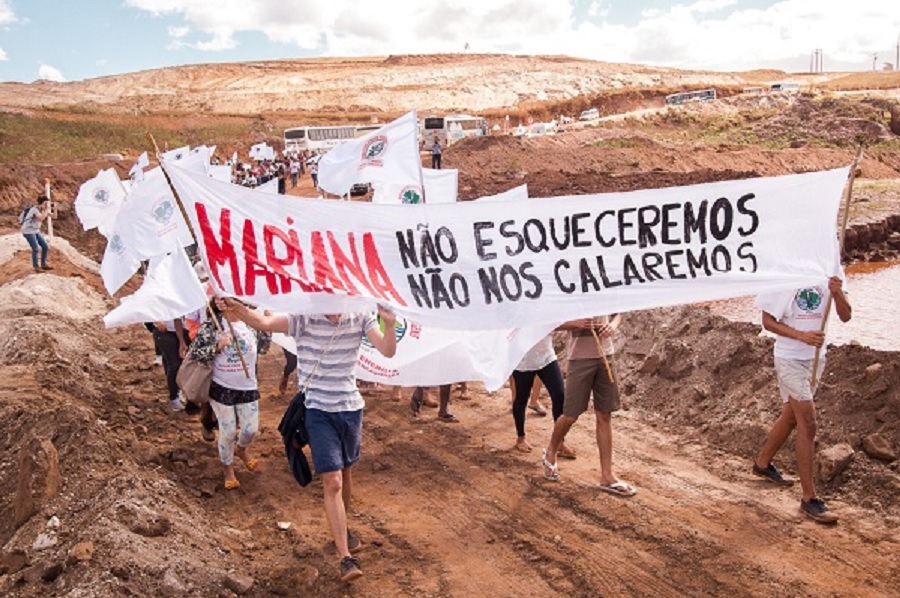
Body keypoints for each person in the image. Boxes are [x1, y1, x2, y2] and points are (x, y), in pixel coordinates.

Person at [217, 298, 397, 583]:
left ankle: (344, 528)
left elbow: (387, 350)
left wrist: (389, 323)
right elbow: (264, 322)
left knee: (346, 474)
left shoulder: (361, 315)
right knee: (333, 480)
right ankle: (345, 558)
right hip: (318, 410)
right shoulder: (304, 318)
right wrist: (235, 308)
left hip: (350, 409)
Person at [752, 277, 851, 524]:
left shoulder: (830, 270)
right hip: (789, 358)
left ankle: (762, 464)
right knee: (808, 422)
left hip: (817, 357)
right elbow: (767, 321)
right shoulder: (786, 272)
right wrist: (801, 336)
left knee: (791, 417)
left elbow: (846, 316)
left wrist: (838, 294)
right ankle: (809, 499)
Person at [542, 315, 635, 497]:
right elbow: (549, 323)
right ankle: (552, 449)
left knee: (605, 414)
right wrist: (576, 323)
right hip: (579, 359)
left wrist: (613, 325)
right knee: (570, 414)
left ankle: (607, 476)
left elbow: (619, 311)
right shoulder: (570, 291)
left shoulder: (605, 288)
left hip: (606, 355)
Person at [186, 303, 271, 489]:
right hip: (221, 387)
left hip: (248, 386)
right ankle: (228, 469)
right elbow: (194, 353)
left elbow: (264, 348)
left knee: (250, 429)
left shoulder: (251, 323)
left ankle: (241, 449)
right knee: (229, 430)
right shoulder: (212, 326)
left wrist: (268, 326)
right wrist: (217, 347)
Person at [511, 335, 565, 453]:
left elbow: (557, 323)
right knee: (521, 398)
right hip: (523, 359)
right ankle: (520, 438)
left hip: (546, 357)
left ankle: (560, 442)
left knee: (560, 395)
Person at [153, 318, 190, 411]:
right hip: (163, 331)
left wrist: (182, 341)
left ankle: (176, 389)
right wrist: (156, 321)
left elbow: (177, 319)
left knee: (176, 363)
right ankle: (174, 397)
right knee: (174, 365)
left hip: (181, 330)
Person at [20, 195, 57, 273]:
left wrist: (55, 209)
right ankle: (36, 267)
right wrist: (47, 210)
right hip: (28, 231)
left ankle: (43, 264)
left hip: (35, 230)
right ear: (42, 203)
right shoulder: (34, 210)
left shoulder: (43, 210)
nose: (47, 205)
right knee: (35, 248)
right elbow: (41, 218)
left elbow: (54, 217)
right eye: (46, 203)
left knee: (45, 246)